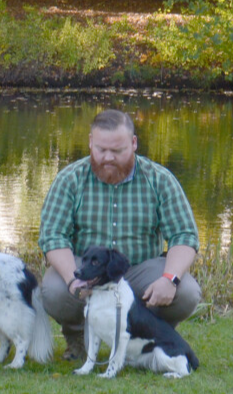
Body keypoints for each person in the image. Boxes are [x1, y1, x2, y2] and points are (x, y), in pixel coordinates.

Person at [39, 109, 203, 361]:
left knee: (187, 291)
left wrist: (169, 279)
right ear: (90, 142)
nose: (108, 158)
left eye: (117, 151)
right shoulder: (69, 179)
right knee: (54, 290)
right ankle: (77, 338)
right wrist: (73, 280)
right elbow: (53, 236)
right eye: (101, 149)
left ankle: (153, 335)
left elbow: (184, 235)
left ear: (134, 143)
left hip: (141, 270)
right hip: (89, 269)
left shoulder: (160, 179)